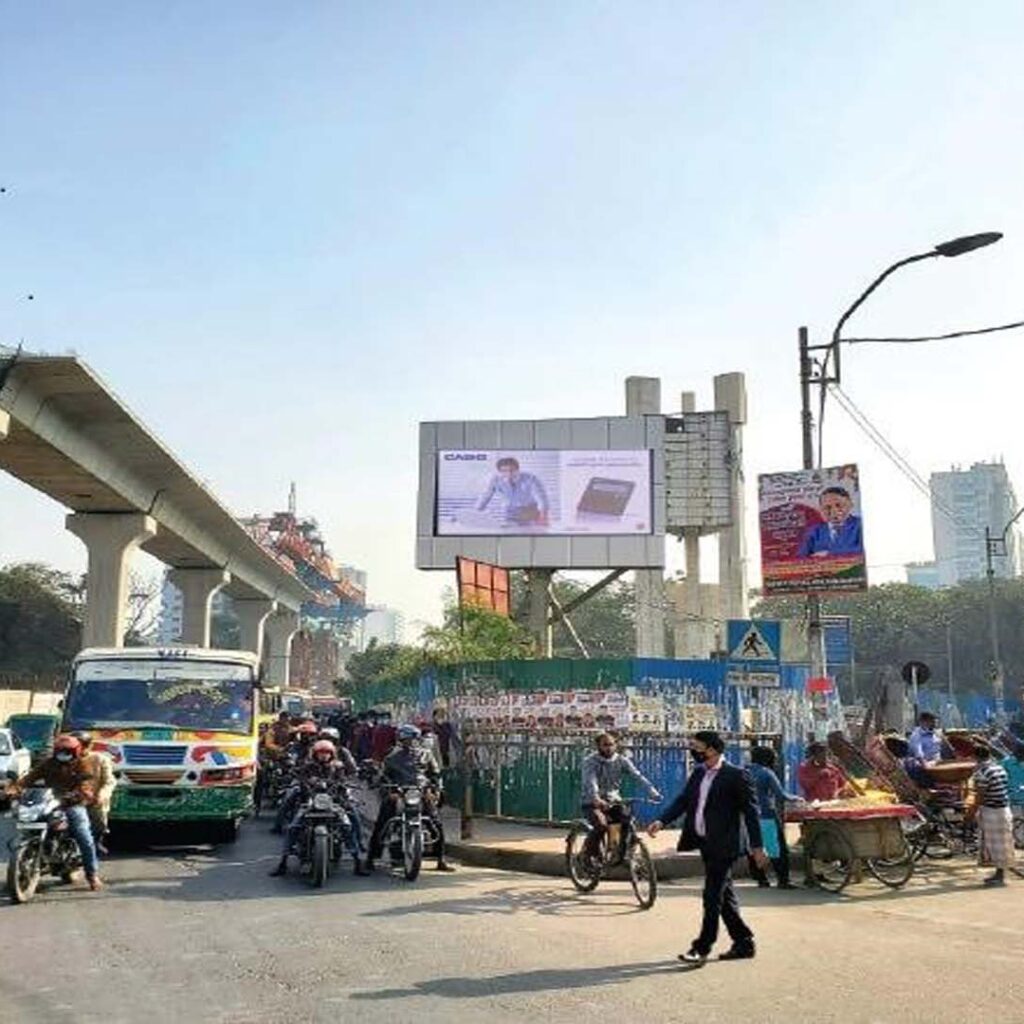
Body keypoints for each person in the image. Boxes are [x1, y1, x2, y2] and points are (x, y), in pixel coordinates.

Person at [649, 731, 767, 964]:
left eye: (697, 746)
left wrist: (757, 846)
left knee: (711, 895)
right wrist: (662, 820)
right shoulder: (699, 773)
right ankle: (744, 942)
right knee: (725, 895)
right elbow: (683, 801)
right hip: (705, 843)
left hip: (726, 845)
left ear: (712, 749)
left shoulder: (736, 775)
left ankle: (701, 947)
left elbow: (752, 813)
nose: (693, 751)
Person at [7, 734, 104, 891]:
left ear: (76, 751)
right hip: (50, 802)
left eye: (67, 751)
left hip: (73, 804)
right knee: (29, 823)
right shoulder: (48, 764)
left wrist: (81, 793)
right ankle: (31, 859)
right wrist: (14, 788)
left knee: (84, 836)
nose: (63, 754)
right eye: (60, 750)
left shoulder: (83, 765)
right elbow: (29, 778)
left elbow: (86, 784)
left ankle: (92, 875)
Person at [270, 738, 369, 877]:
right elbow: (298, 776)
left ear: (332, 754)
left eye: (327, 753)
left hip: (333, 804)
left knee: (346, 826)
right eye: (321, 753)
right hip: (310, 804)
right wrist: (298, 781)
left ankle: (357, 862)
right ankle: (283, 863)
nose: (324, 755)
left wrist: (343, 789)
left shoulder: (338, 767)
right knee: (293, 827)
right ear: (315, 753)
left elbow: (343, 782)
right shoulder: (307, 767)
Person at [368, 724, 454, 872]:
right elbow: (383, 778)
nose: (411, 742)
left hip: (421, 792)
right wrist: (390, 792)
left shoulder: (426, 754)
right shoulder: (391, 757)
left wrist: (434, 790)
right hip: (399, 793)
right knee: (382, 823)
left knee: (436, 823)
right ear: (401, 740)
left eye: (414, 739)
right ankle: (371, 858)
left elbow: (435, 775)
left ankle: (441, 859)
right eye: (407, 739)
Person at [580, 732, 661, 862]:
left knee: (626, 821)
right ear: (598, 746)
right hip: (592, 802)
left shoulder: (621, 760)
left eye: (612, 744)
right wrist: (596, 798)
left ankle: (621, 854)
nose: (609, 748)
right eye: (605, 745)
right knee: (601, 825)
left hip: (613, 800)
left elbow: (637, 776)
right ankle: (589, 855)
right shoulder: (590, 761)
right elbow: (590, 781)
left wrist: (652, 791)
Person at [746, 746, 800, 889]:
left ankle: (761, 880)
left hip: (748, 817)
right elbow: (781, 795)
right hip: (766, 815)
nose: (775, 761)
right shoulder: (766, 773)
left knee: (754, 847)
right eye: (774, 758)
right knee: (776, 848)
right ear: (767, 759)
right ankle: (783, 880)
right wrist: (797, 799)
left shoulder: (742, 772)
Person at [972, 742, 1018, 887]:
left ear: (976, 757)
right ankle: (1000, 873)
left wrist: (970, 812)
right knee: (1003, 843)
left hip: (992, 810)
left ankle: (1000, 876)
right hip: (1004, 808)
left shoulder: (982, 772)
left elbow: (980, 796)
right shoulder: (999, 768)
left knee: (995, 845)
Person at [70, 730, 116, 855]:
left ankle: (96, 841)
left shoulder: (100, 759)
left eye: (82, 745)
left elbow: (109, 781)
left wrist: (102, 795)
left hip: (93, 800)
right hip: (68, 798)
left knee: (98, 819)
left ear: (89, 746)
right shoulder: (63, 758)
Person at [477, 456, 550, 527]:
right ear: (499, 471)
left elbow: (541, 496)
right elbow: (487, 495)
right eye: (504, 471)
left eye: (512, 470)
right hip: (509, 511)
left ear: (517, 469)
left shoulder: (530, 478)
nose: (509, 473)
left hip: (529, 509)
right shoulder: (496, 480)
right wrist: (478, 511)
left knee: (529, 531)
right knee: (510, 532)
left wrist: (543, 515)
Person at [797, 486, 863, 558]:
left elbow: (865, 549)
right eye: (827, 507)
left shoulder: (861, 525)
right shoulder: (814, 531)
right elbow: (801, 557)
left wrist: (829, 553)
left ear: (850, 504)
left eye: (839, 505)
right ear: (821, 509)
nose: (834, 510)